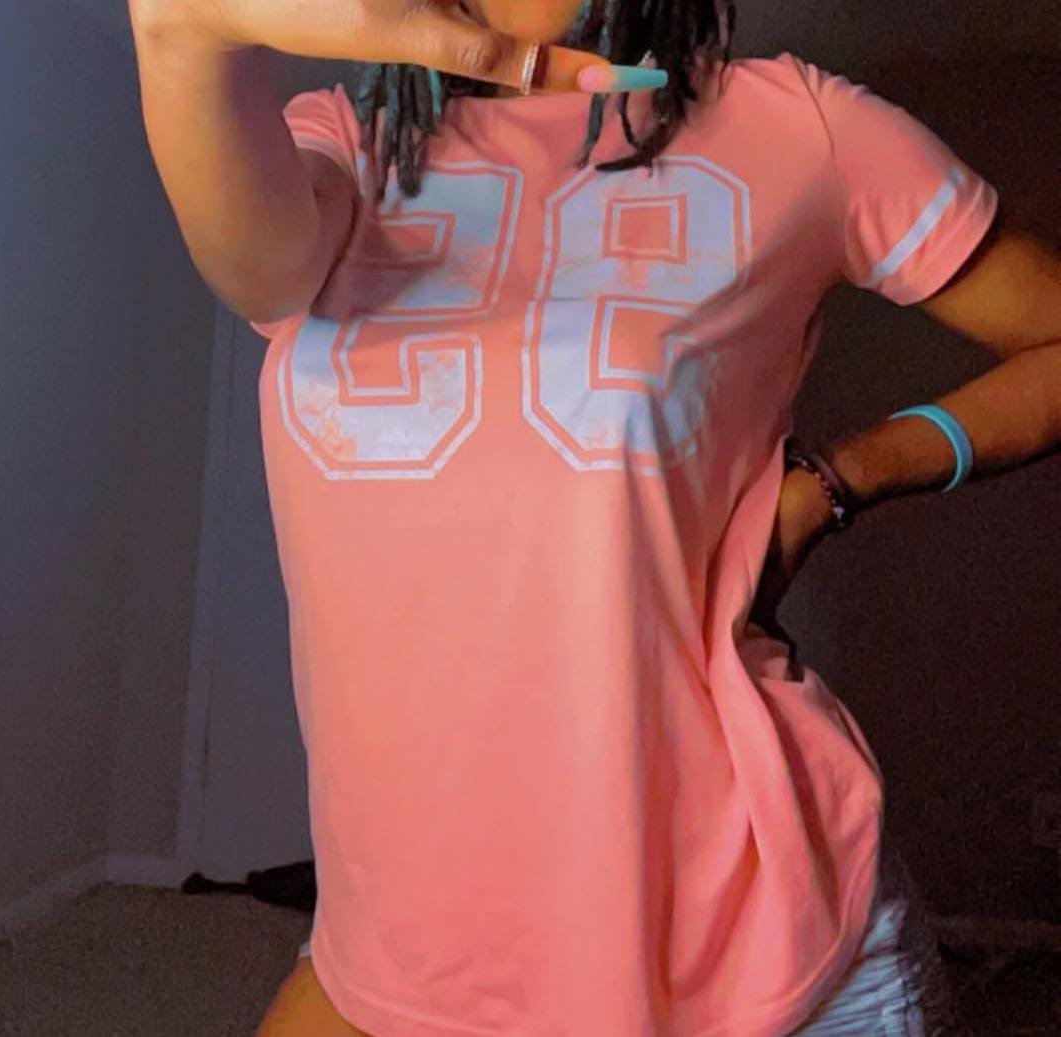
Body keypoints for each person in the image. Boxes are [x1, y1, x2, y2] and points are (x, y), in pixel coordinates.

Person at [127, 1, 1059, 1033]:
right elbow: (256, 265)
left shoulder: (801, 130)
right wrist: (178, 35)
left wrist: (839, 478)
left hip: (746, 945)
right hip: (408, 926)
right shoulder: (343, 148)